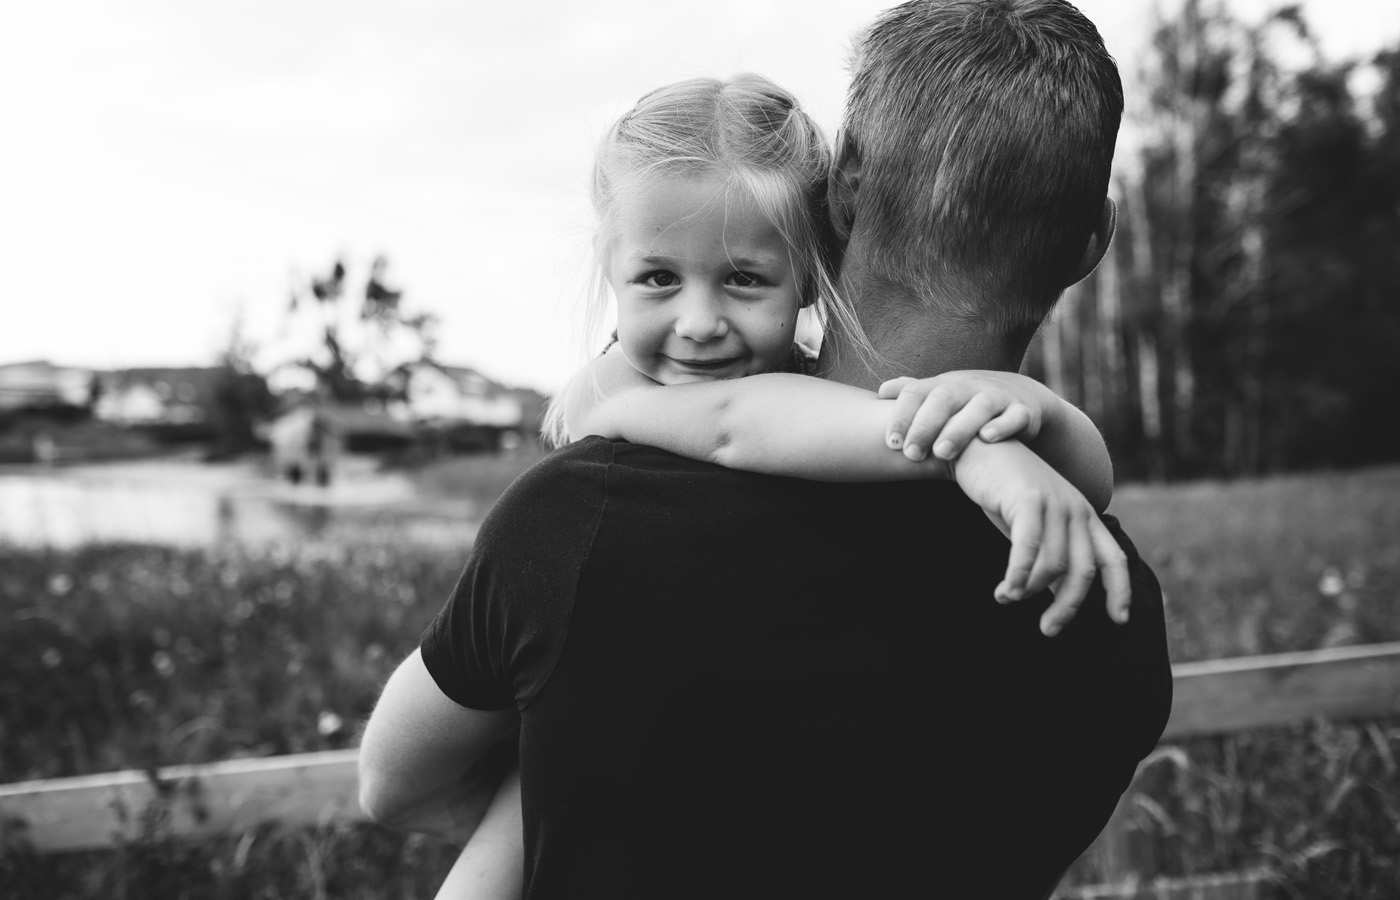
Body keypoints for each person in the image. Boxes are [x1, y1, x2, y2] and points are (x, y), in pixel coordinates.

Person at [360, 2, 1173, 898]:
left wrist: (546, 779)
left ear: (840, 194)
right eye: (660, 279)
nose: (699, 322)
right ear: (1093, 243)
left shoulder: (578, 522)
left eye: (739, 279)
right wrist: (993, 444)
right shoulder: (1109, 608)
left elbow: (393, 787)